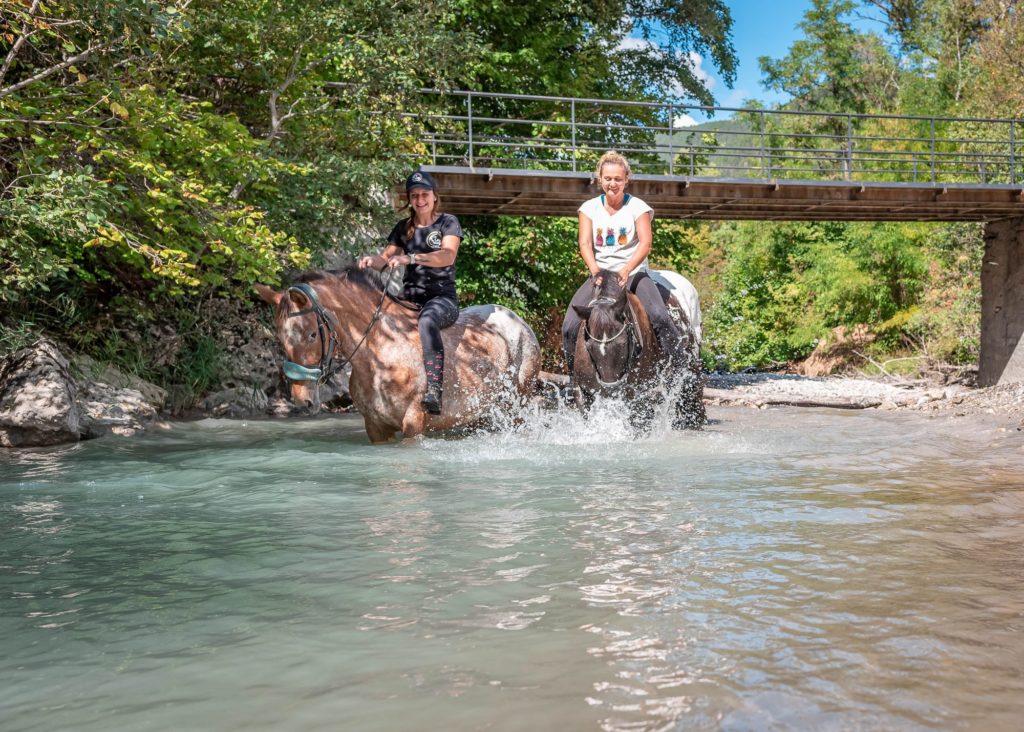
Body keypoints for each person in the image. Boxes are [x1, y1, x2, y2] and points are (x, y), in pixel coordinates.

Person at [561, 150, 687, 381]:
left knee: (659, 316)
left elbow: (645, 243)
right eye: (608, 178)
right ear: (600, 179)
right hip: (601, 276)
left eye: (618, 179)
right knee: (570, 324)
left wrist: (627, 270)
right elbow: (585, 243)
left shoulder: (638, 207)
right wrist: (595, 270)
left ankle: (679, 374)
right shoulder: (588, 208)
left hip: (633, 273)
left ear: (626, 179)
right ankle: (574, 381)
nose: (613, 183)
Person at [358, 170, 461, 415]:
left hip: (441, 300)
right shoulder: (404, 228)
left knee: (427, 320)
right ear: (409, 199)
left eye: (424, 194)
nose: (419, 199)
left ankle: (434, 389)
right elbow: (384, 259)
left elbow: (447, 256)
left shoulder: (448, 222)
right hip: (409, 299)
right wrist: (369, 261)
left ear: (435, 196)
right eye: (414, 195)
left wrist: (411, 258)